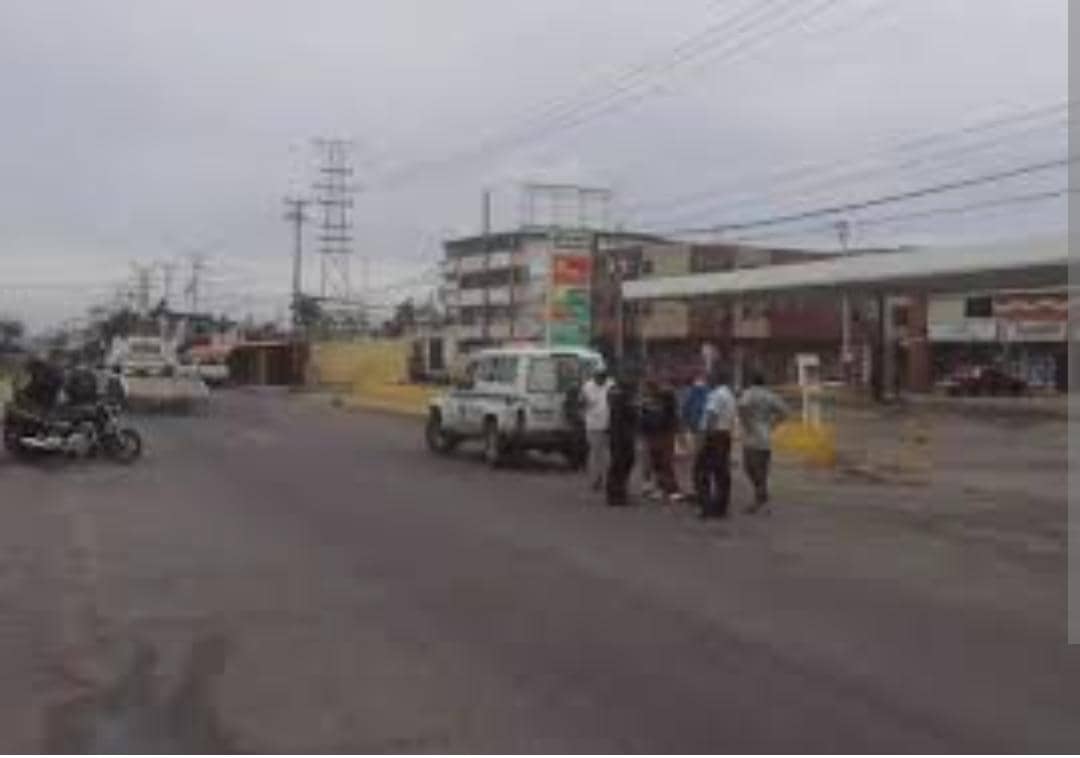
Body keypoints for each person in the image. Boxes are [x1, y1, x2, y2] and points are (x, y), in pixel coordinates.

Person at [737, 371, 789, 513]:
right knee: (762, 470)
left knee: (749, 468)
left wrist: (746, 423)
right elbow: (785, 412)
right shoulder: (770, 395)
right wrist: (772, 424)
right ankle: (761, 496)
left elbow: (742, 406)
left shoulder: (749, 393)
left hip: (751, 438)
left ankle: (759, 498)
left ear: (751, 382)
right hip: (766, 438)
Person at [696, 369, 736, 520]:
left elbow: (711, 415)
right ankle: (721, 506)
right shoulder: (729, 395)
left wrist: (705, 437)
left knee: (701, 472)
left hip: (714, 435)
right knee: (722, 473)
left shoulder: (716, 395)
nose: (707, 380)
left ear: (715, 379)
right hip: (725, 435)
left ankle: (706, 506)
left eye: (709, 378)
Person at [639, 377, 682, 502]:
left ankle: (670, 489)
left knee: (663, 462)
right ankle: (663, 488)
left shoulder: (661, 403)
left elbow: (659, 420)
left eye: (645, 389)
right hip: (657, 436)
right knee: (658, 462)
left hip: (661, 436)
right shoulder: (653, 404)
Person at [605, 371, 638, 507]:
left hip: (618, 435)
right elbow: (631, 415)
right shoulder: (622, 397)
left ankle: (617, 493)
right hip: (622, 436)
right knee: (621, 464)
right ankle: (616, 494)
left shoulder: (615, 394)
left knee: (620, 464)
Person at [580, 367, 614, 491]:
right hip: (593, 424)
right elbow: (582, 402)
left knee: (608, 454)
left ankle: (606, 479)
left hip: (609, 424)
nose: (601, 379)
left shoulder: (611, 385)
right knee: (595, 453)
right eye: (599, 377)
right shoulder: (587, 387)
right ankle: (595, 478)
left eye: (603, 377)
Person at [681, 373, 710, 503]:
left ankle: (694, 489)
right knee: (703, 459)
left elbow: (686, 410)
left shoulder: (691, 393)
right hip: (707, 430)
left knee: (694, 459)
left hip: (694, 429)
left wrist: (685, 425)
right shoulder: (709, 392)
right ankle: (701, 488)